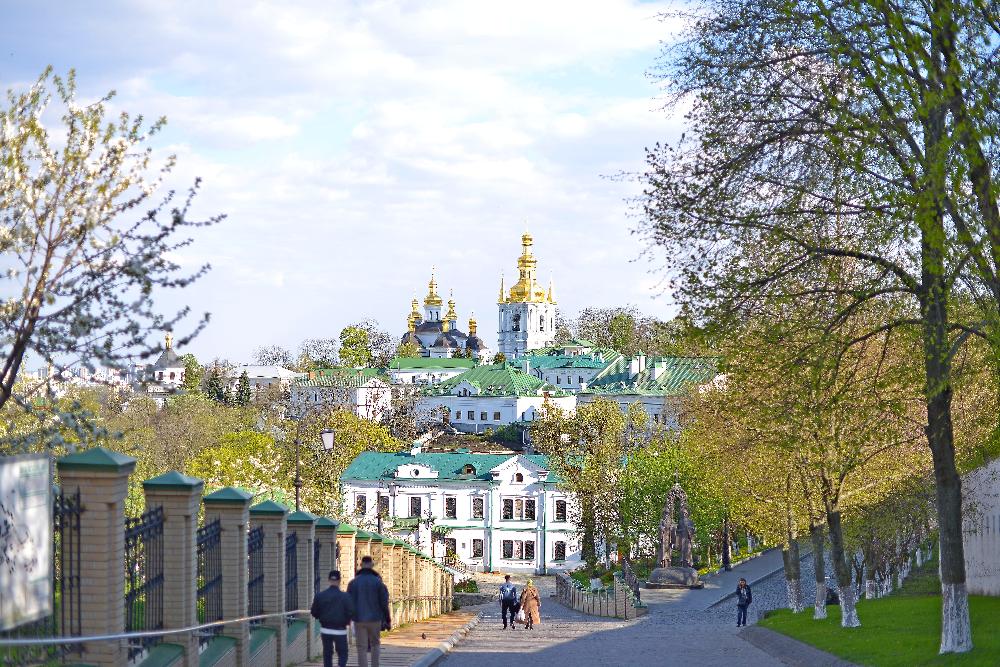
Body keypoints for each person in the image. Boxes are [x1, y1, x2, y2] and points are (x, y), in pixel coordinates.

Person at [347, 555, 391, 667]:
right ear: (372, 565)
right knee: (375, 644)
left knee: (361, 647)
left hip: (359, 619)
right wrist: (387, 619)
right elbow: (384, 603)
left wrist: (348, 619)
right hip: (375, 619)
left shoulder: (353, 583)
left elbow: (349, 603)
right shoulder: (378, 583)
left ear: (360, 565)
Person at [310, 570, 354, 667]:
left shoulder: (320, 596)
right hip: (340, 630)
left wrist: (321, 617)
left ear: (329, 580)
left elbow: (314, 612)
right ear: (339, 581)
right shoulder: (346, 597)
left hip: (325, 629)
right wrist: (346, 621)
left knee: (327, 653)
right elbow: (351, 612)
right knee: (343, 653)